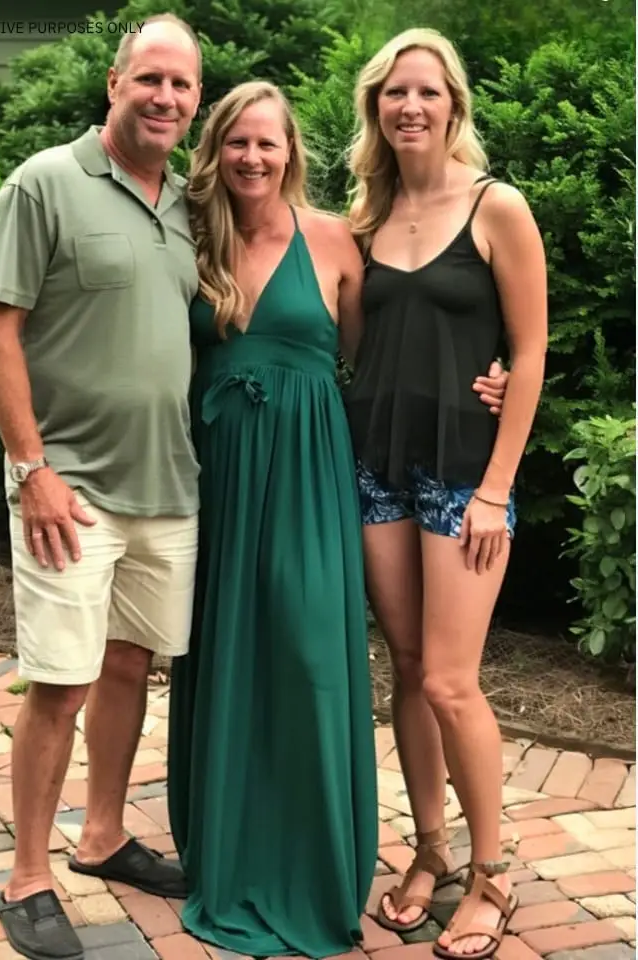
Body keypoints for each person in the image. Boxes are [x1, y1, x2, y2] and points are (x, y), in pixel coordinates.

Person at [165, 79, 507, 959]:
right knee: (230, 653)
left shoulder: (336, 240)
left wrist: (492, 378)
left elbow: (374, 356)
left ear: (292, 151)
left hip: (315, 475)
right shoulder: (188, 238)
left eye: (267, 142)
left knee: (313, 656)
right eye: (236, 141)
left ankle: (325, 866)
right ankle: (235, 851)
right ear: (215, 150)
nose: (252, 156)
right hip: (221, 479)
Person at [0, 16, 204, 960]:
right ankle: (27, 876)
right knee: (61, 683)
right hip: (68, 492)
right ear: (115, 83)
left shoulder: (190, 202)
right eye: (150, 79)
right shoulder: (44, 183)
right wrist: (31, 470)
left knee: (128, 668)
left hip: (167, 485)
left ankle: (102, 836)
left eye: (181, 85)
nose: (164, 98)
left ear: (195, 100)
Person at [343, 28, 548, 960]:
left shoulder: (496, 206)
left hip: (465, 473)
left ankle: (490, 874)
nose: (410, 106)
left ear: (454, 104)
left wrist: (497, 489)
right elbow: (355, 345)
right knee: (407, 665)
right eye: (395, 92)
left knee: (450, 681)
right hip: (376, 465)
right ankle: (429, 852)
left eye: (427, 91)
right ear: (376, 108)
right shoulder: (366, 218)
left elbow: (530, 351)